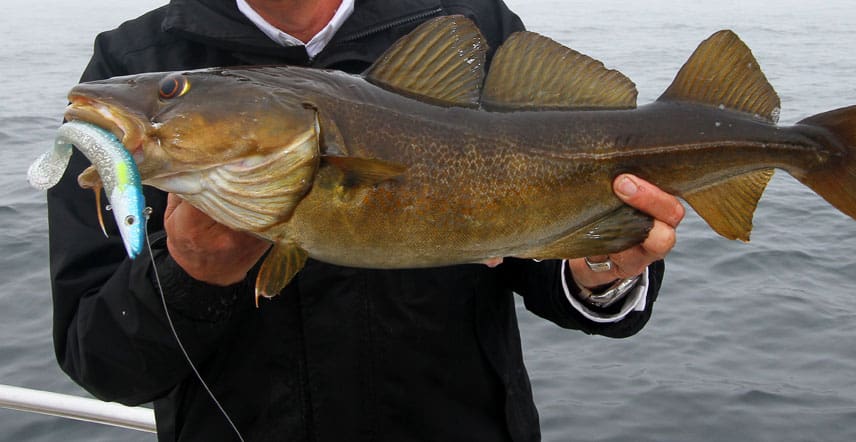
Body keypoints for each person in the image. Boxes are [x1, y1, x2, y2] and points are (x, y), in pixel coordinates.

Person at [48, 0, 685, 440]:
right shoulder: (127, 70)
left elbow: (523, 242)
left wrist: (602, 268)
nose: (166, 99)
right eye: (172, 94)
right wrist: (193, 276)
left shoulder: (466, 22)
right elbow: (100, 359)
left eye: (172, 95)